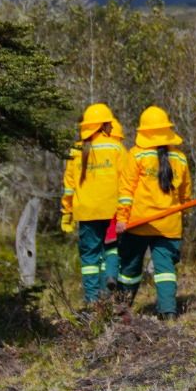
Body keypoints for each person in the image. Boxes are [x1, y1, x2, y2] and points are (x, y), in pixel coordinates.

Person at [115, 106, 193, 319]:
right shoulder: (181, 158)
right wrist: (180, 216)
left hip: (138, 224)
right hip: (169, 225)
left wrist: (121, 218)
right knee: (165, 269)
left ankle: (122, 309)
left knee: (130, 267)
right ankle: (168, 312)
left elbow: (126, 192)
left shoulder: (136, 155)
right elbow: (186, 196)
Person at [60, 103, 126, 304]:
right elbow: (126, 182)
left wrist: (66, 212)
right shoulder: (116, 148)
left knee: (90, 257)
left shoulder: (75, 150)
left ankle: (91, 300)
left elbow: (69, 186)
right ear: (105, 125)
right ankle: (108, 286)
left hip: (85, 212)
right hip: (111, 210)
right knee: (111, 248)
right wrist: (125, 211)